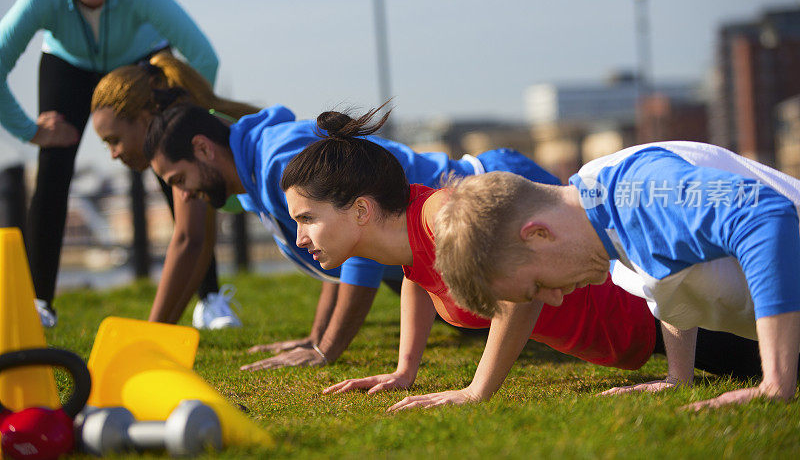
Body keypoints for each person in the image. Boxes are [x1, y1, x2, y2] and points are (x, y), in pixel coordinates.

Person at [277, 107, 766, 411]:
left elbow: (517, 294)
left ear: (361, 209)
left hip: (669, 315)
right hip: (647, 331)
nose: (300, 238)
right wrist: (406, 369)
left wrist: (477, 390)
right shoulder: (406, 237)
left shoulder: (444, 216)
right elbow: (417, 280)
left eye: (307, 218)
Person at [143, 102, 666, 373]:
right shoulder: (403, 234)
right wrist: (395, 365)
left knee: (649, 299)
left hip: (484, 194)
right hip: (638, 335)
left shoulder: (283, 160)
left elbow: (513, 297)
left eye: (177, 179)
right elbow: (395, 266)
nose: (181, 194)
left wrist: (329, 349)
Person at [434, 141, 800, 410]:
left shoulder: (637, 191)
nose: (555, 298)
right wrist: (678, 378)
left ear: (538, 234)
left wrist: (775, 384)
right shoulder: (599, 209)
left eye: (537, 286)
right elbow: (677, 271)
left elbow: (762, 216)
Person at [0, 0, 218, 327]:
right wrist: (29, 130)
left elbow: (204, 56)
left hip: (140, 61)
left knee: (175, 165)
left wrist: (184, 117)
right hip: (68, 64)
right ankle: (40, 305)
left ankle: (212, 300)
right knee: (52, 171)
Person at [91, 52, 259, 328]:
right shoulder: (184, 123)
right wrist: (163, 330)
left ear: (145, 119)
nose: (112, 154)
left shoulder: (179, 139)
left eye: (115, 140)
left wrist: (151, 333)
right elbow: (198, 244)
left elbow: (188, 240)